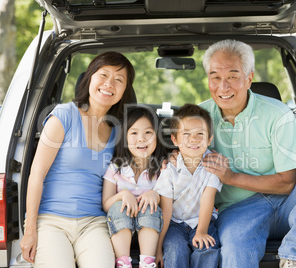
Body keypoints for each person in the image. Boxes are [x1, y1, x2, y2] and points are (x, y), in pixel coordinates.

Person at [197, 39, 296, 267]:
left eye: (233, 77)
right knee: (235, 246)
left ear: (249, 79)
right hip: (237, 211)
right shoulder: (200, 117)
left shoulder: (277, 114)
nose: (223, 87)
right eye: (215, 77)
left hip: (290, 205)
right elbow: (185, 164)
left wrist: (232, 178)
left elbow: (288, 183)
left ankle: (294, 255)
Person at [20, 51, 136, 268]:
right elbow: (36, 174)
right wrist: (30, 230)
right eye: (103, 75)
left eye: (119, 80)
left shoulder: (119, 130)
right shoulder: (63, 115)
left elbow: (139, 164)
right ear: (89, 78)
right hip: (50, 221)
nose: (109, 83)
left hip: (93, 223)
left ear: (124, 91)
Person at [154, 103, 222, 268]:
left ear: (209, 139)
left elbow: (208, 199)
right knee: (175, 249)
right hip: (174, 224)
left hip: (203, 222)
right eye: (186, 134)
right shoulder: (169, 169)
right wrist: (157, 248)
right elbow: (166, 210)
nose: (194, 139)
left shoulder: (213, 165)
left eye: (200, 133)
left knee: (206, 248)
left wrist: (201, 232)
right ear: (175, 140)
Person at [102, 107, 166, 268]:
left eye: (148, 133)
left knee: (150, 207)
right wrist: (122, 195)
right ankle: (123, 263)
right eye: (134, 133)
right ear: (124, 138)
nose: (141, 139)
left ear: (157, 137)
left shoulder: (161, 169)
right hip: (121, 229)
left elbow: (167, 203)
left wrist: (155, 195)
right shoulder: (116, 167)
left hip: (150, 230)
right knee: (117, 207)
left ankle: (146, 262)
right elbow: (106, 204)